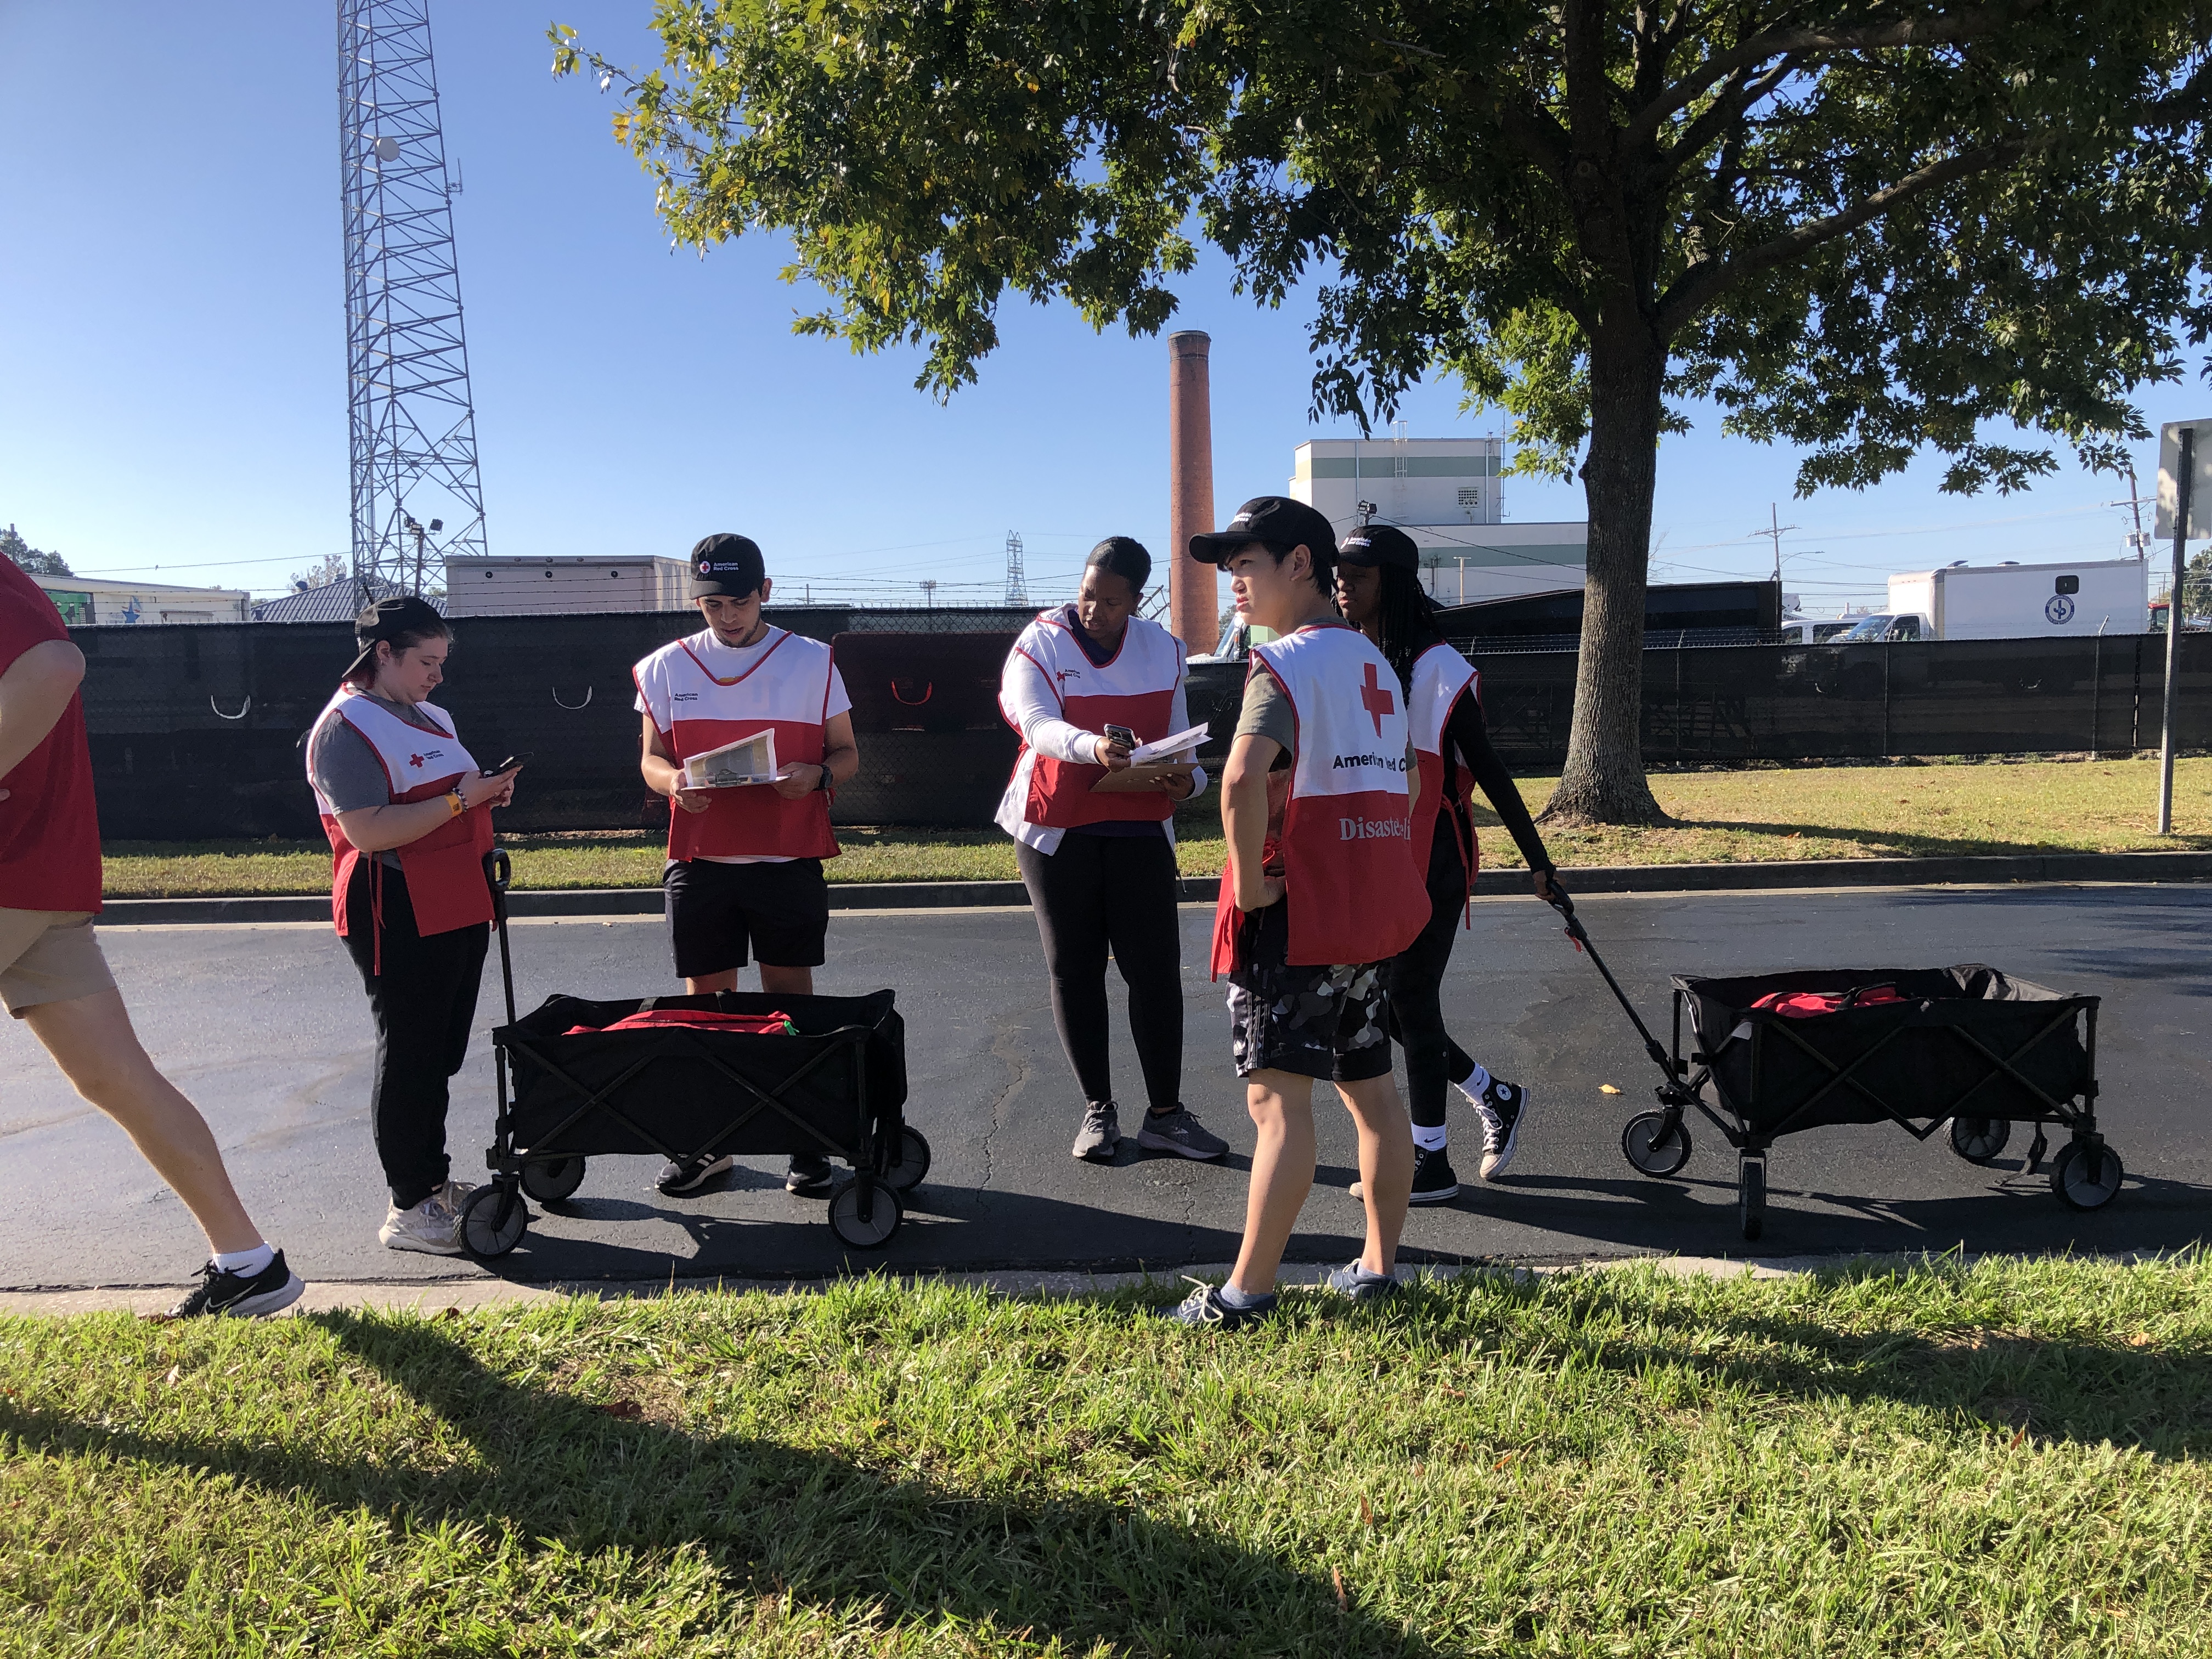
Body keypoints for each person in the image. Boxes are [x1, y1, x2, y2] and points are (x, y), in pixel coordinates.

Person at [1, 551, 303, 1315]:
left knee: (122, 1081)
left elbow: (55, 663)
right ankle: (249, 1264)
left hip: (15, 873)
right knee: (116, 1079)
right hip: (37, 876)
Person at [1161, 496, 1431, 1328]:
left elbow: (1241, 780)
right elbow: (1413, 784)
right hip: (1368, 913)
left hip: (1296, 912)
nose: (1234, 582)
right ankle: (1380, 1268)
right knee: (1375, 1094)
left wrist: (1248, 884)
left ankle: (1245, 1294)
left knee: (1277, 1103)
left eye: (1247, 564)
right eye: (1230, 567)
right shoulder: (1377, 664)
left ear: (1301, 565)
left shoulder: (1282, 665)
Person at [1335, 523, 1560, 1203]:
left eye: (1359, 573)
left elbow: (1490, 769)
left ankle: (1429, 1162)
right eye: (1339, 571)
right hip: (1374, 849)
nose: (1342, 582)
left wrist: (1540, 863)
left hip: (1432, 853)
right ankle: (1496, 1094)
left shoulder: (1441, 670)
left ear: (1395, 584)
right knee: (1395, 1010)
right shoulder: (1354, 656)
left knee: (1407, 997)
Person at [633, 533, 859, 1199]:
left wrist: (816, 774)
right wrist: (673, 783)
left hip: (785, 857)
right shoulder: (666, 667)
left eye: (737, 601)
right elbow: (650, 759)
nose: (726, 616)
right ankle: (712, 1143)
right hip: (701, 860)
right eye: (711, 605)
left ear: (765, 592)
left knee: (789, 1002)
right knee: (710, 1008)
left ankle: (804, 1138)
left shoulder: (814, 661)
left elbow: (847, 753)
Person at [996, 536, 1229, 1164]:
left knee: (1153, 972)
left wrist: (1193, 779)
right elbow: (1037, 724)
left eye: (1110, 601)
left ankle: (1166, 1115)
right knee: (1075, 968)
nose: (1093, 610)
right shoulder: (1039, 642)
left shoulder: (1164, 650)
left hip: (1137, 826)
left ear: (1138, 601)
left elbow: (1181, 746)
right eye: (1087, 594)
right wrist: (1092, 747)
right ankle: (1099, 1111)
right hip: (1057, 827)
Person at [307, 596, 521, 1255]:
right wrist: (465, 797)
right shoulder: (345, 726)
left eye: (442, 662)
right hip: (394, 901)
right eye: (426, 661)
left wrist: (486, 790)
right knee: (410, 1054)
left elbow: (452, 791)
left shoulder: (430, 714)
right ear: (384, 654)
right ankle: (409, 1205)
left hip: (458, 894)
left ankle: (432, 1182)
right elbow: (369, 829)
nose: (437, 675)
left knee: (439, 1052)